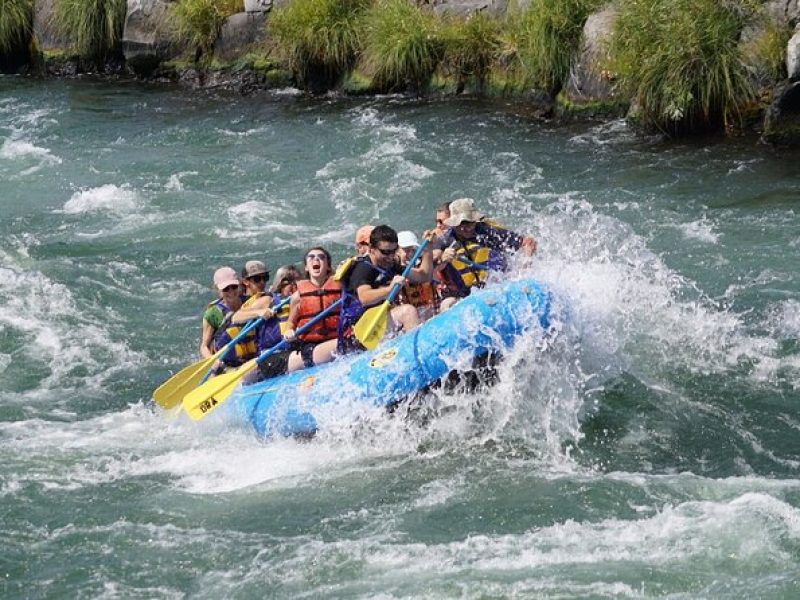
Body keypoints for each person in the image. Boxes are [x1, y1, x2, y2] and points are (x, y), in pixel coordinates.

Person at [435, 198, 537, 310]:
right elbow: (433, 260)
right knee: (446, 304)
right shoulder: (445, 241)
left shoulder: (489, 232)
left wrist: (523, 270)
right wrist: (443, 259)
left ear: (475, 221)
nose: (464, 229)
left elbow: (528, 242)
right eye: (459, 224)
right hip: (465, 298)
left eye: (468, 223)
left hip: (497, 288)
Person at [342, 225, 433, 343]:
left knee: (426, 311)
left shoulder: (390, 264)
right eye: (385, 252)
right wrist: (389, 289)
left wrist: (427, 251)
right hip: (361, 330)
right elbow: (364, 298)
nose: (390, 256)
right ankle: (417, 349)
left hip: (380, 321)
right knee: (408, 312)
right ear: (371, 249)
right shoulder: (362, 268)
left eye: (393, 251)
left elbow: (423, 276)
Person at [283, 248, 343, 372]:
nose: (316, 259)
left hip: (336, 338)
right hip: (311, 346)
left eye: (321, 257)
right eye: (311, 257)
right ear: (306, 267)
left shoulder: (342, 288)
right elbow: (290, 323)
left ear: (328, 267)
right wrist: (289, 331)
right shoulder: (297, 296)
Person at [199, 266, 257, 372]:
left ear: (239, 284)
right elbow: (204, 346)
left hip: (254, 359)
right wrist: (212, 361)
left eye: (234, 286)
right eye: (225, 289)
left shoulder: (251, 302)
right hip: (228, 365)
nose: (231, 291)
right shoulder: (212, 313)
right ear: (217, 289)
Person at [397, 230, 440, 322]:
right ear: (396, 251)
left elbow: (437, 255)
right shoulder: (395, 270)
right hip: (412, 317)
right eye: (406, 250)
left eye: (413, 250)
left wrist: (429, 248)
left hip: (432, 312)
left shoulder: (423, 264)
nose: (411, 254)